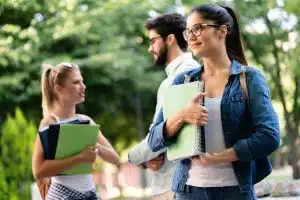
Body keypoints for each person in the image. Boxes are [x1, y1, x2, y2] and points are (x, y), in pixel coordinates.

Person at [148, 3, 280, 200]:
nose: (191, 36)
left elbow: (269, 136)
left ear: (222, 31)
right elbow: (153, 140)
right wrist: (181, 116)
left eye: (198, 28)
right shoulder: (182, 81)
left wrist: (221, 157)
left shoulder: (249, 78)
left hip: (236, 192)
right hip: (188, 192)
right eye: (188, 31)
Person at [128, 13, 200, 199]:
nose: (150, 47)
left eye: (153, 41)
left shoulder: (177, 79)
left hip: (173, 184)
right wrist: (146, 160)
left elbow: (158, 135)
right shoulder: (193, 71)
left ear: (170, 39)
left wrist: (133, 157)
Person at [32, 62, 120, 200]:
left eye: (82, 81)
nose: (83, 86)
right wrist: (79, 158)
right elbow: (38, 171)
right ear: (59, 89)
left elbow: (115, 158)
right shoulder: (49, 123)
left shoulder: (87, 121)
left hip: (89, 195)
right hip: (62, 195)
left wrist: (97, 149)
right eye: (76, 82)